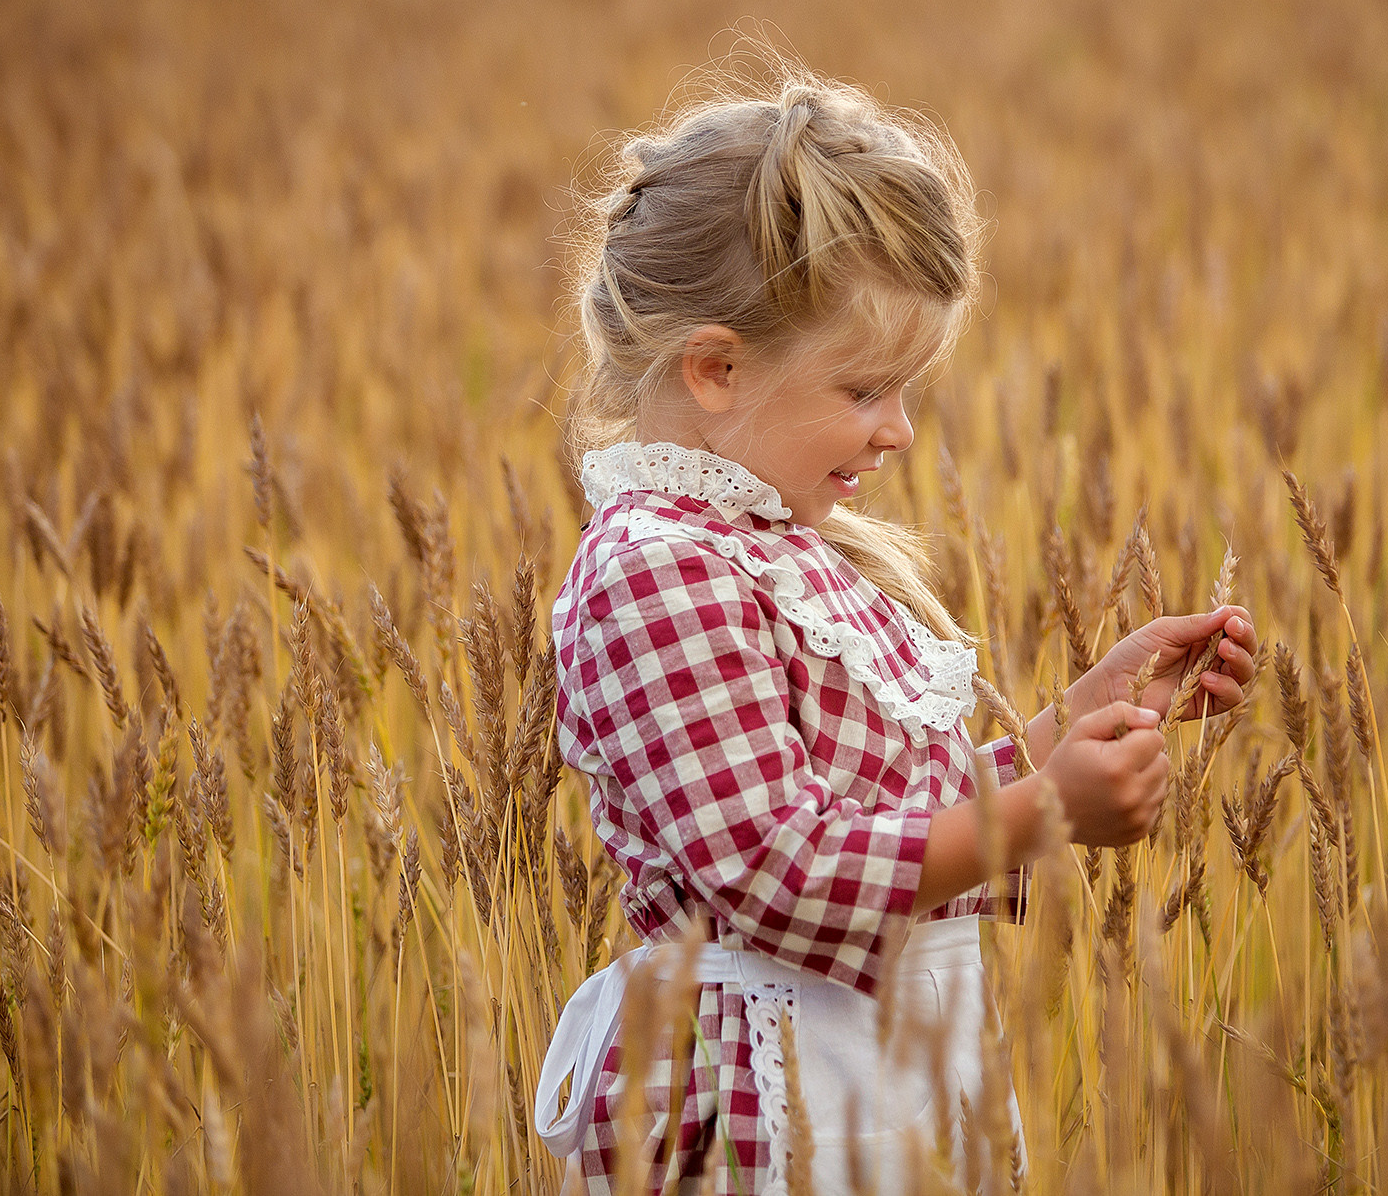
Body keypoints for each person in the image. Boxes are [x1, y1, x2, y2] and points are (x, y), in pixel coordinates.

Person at [533, 62, 1259, 1194]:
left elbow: (887, 822)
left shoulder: (772, 544)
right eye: (867, 389)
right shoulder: (655, 575)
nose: (900, 433)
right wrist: (1041, 806)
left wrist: (1074, 721)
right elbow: (779, 870)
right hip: (760, 1096)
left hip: (872, 1073)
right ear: (716, 369)